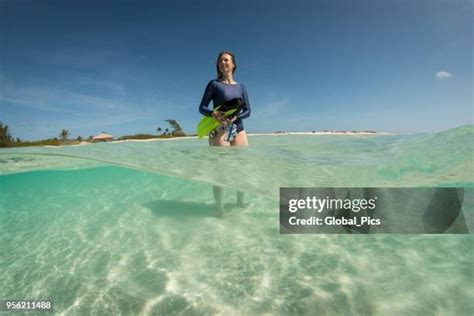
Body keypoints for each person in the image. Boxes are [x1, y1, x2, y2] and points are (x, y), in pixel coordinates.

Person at [198, 51, 251, 216]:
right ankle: (219, 208)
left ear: (233, 64)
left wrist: (236, 116)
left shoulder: (241, 87)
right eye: (220, 61)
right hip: (220, 129)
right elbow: (202, 107)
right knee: (220, 172)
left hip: (239, 129)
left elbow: (248, 111)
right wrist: (212, 114)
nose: (223, 63)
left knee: (242, 169)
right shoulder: (214, 84)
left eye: (226, 60)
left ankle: (240, 201)